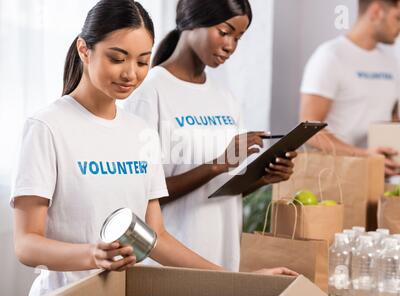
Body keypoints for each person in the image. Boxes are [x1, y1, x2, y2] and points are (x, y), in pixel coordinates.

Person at [11, 0, 297, 296]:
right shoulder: (47, 127)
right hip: (67, 294)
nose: (130, 74)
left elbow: (156, 237)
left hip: (123, 293)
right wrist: (91, 254)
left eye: (142, 61)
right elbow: (26, 245)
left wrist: (243, 281)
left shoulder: (139, 131)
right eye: (117, 58)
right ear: (85, 49)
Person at [125, 0, 297, 272]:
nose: (230, 46)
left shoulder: (225, 98)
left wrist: (261, 179)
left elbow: (221, 191)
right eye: (225, 31)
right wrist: (216, 164)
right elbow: (139, 196)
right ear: (192, 21)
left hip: (221, 259)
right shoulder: (150, 91)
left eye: (238, 37)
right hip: (168, 265)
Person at [300, 0, 400, 177]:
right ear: (376, 12)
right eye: (399, 17)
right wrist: (364, 156)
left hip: (378, 179)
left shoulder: (391, 62)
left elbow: (393, 120)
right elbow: (308, 131)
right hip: (334, 181)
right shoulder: (330, 57)